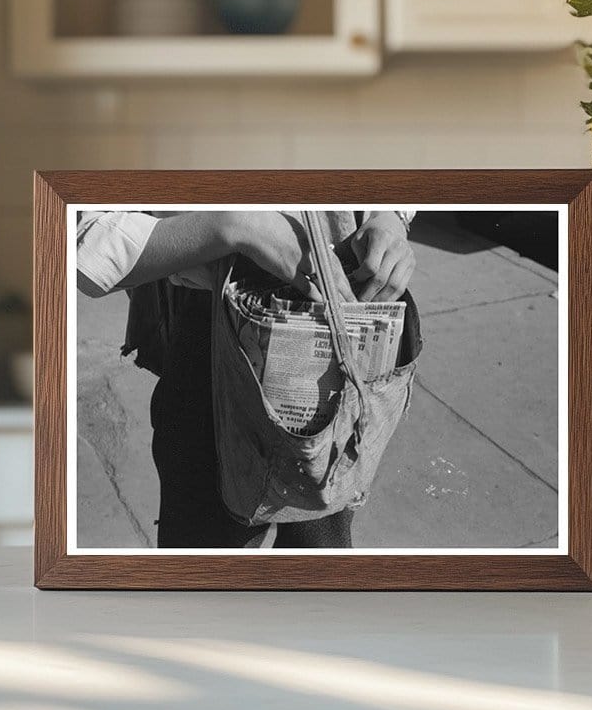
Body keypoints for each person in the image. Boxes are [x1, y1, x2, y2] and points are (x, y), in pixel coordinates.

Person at [77, 210, 416, 549]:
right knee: (205, 564)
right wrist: (235, 225)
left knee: (320, 549)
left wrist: (389, 217)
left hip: (340, 326)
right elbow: (84, 238)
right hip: (212, 348)